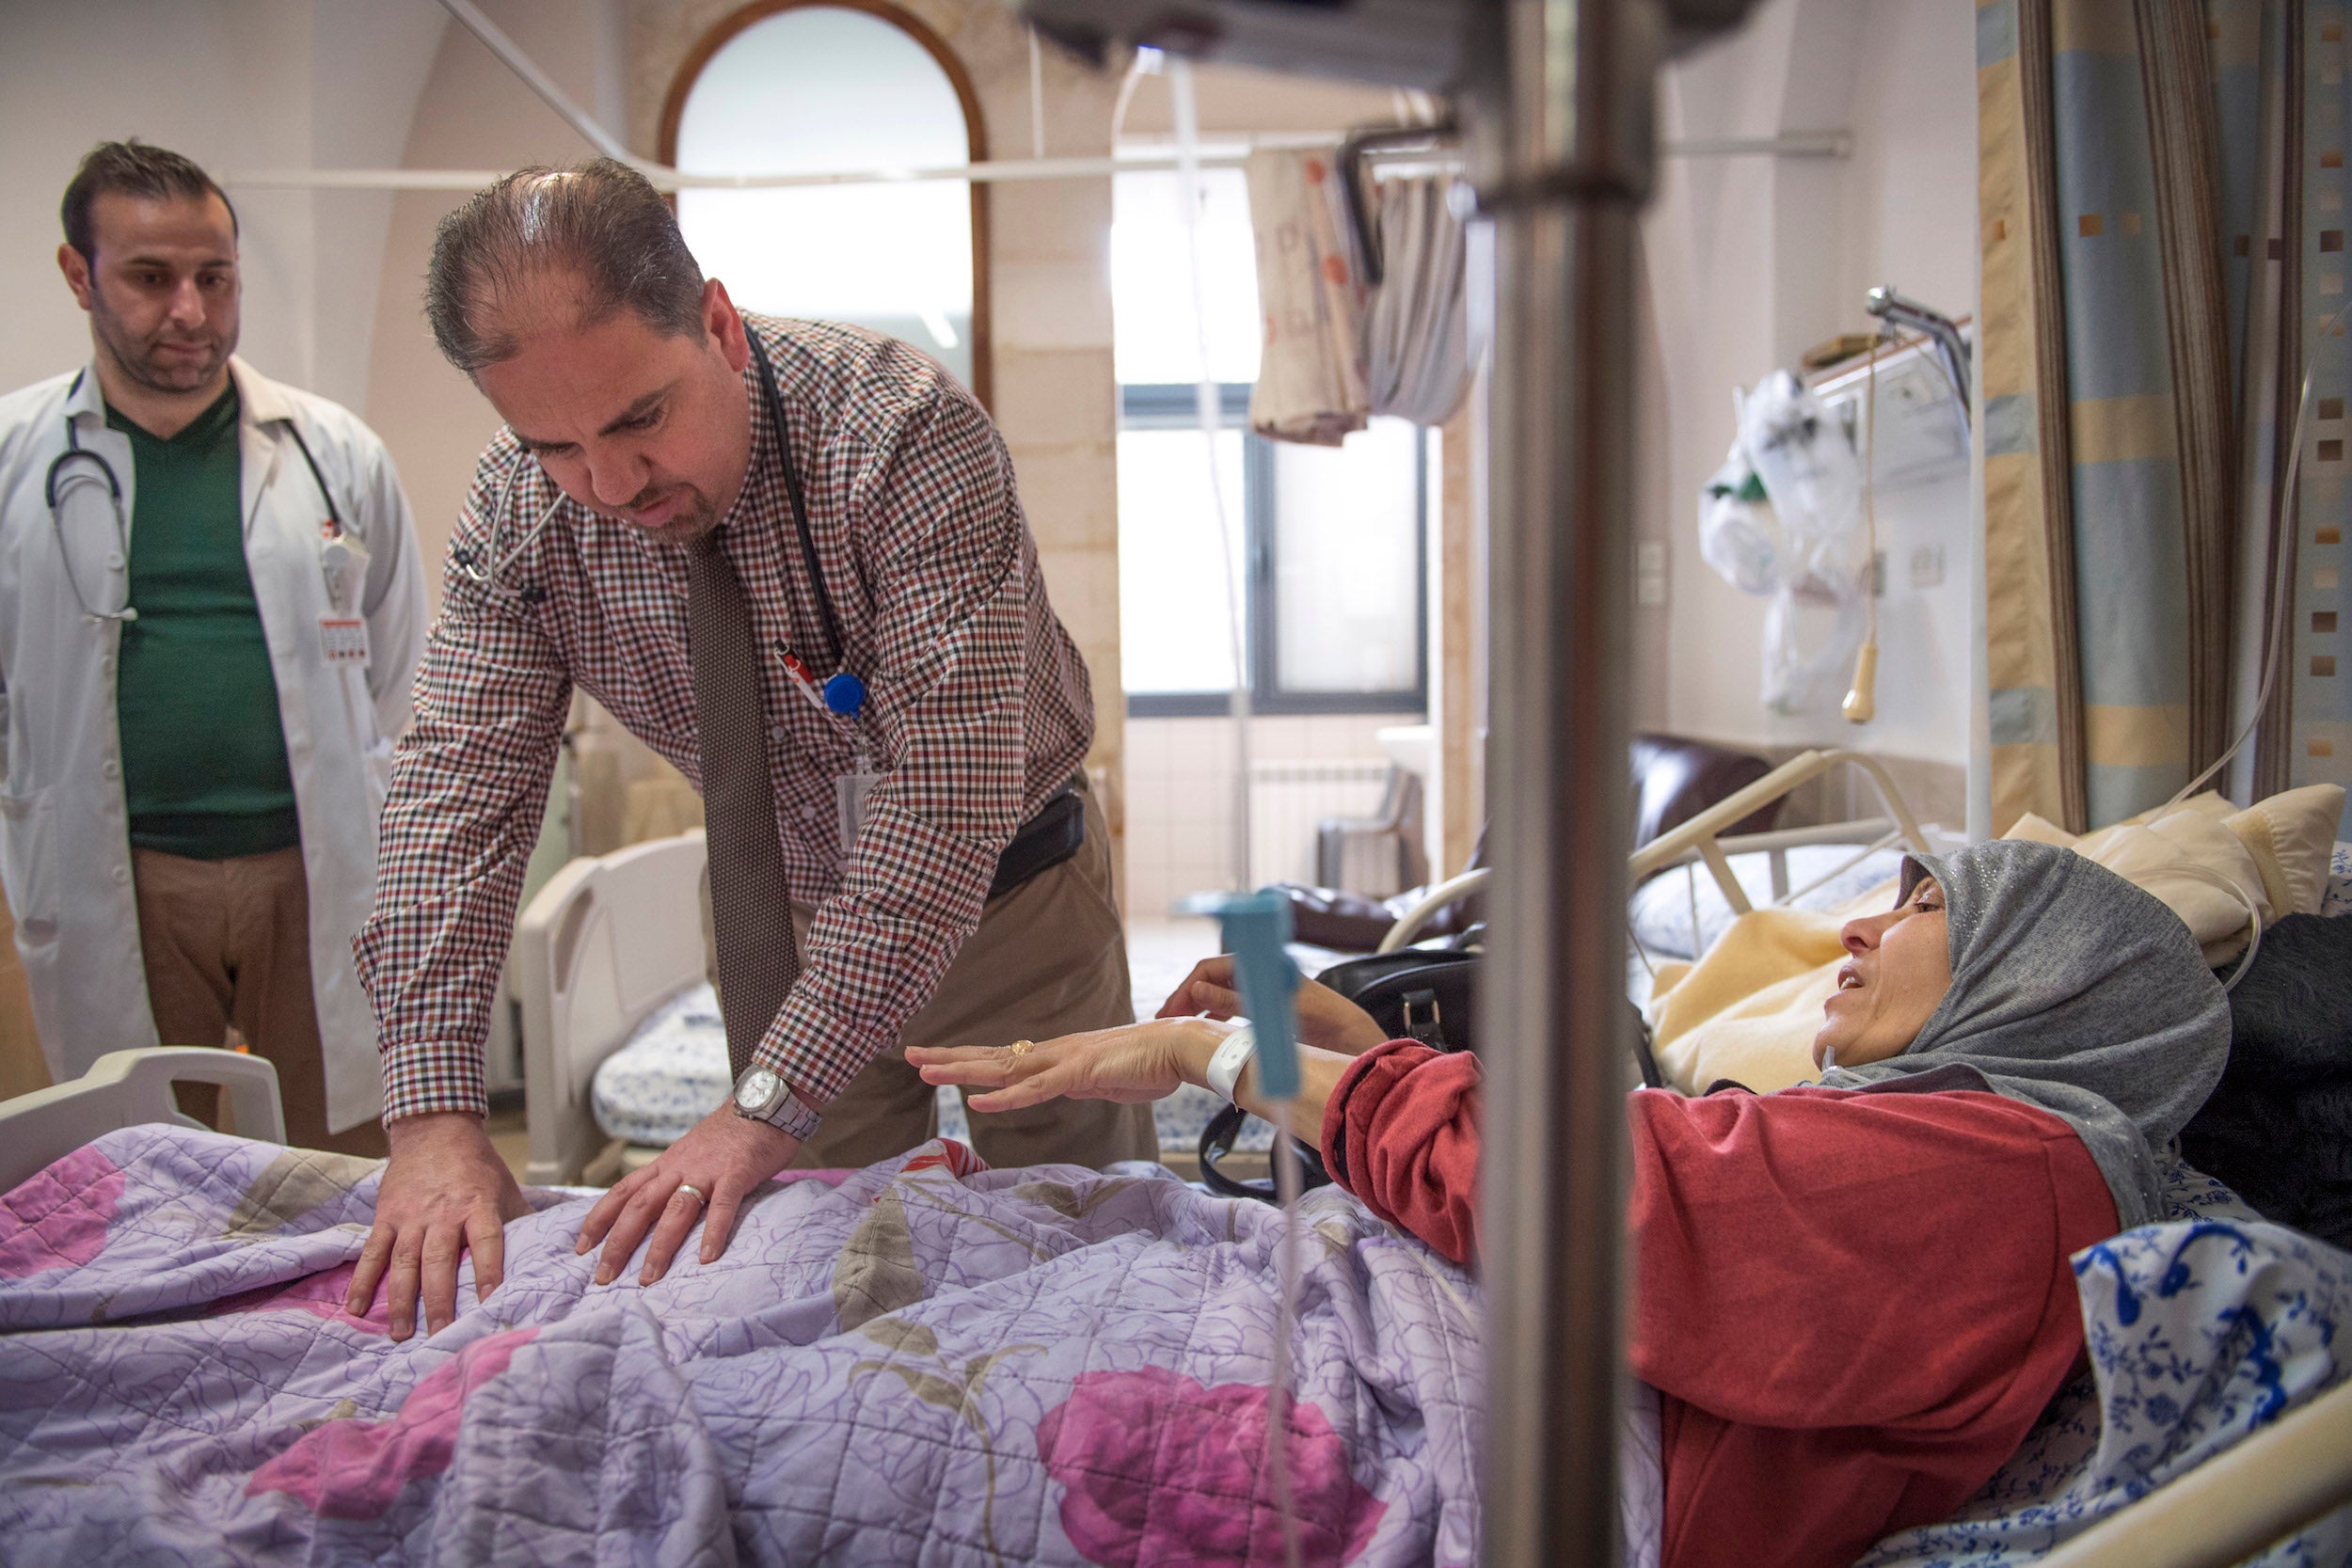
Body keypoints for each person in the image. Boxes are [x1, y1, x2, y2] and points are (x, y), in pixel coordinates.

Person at [911, 840, 2233, 1568]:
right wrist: (1352, 1045)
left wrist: (1222, 1058)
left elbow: (1616, 1199)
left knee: (895, 1383)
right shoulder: (1959, 1139)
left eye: (1928, 903)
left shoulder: (2012, 1167)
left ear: (2048, 976)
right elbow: (1652, 1182)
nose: (1856, 932)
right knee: (945, 1244)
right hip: (1472, 1324)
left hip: (1517, 1428)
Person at [348, 159, 1152, 1343]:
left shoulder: (902, 439)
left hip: (1007, 897)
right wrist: (430, 1113)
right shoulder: (520, 515)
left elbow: (941, 804)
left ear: (717, 324)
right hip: (775, 905)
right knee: (827, 1267)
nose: (611, 485)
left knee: (1090, 1240)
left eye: (640, 419)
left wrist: (764, 1095)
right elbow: (452, 790)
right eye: (556, 446)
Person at [0, 140, 427, 1155]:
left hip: (314, 865)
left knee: (348, 1161)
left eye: (214, 276)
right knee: (140, 1169)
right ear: (79, 274)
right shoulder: (16, 459)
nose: (189, 310)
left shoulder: (335, 453)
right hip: (125, 875)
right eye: (150, 278)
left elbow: (400, 670)